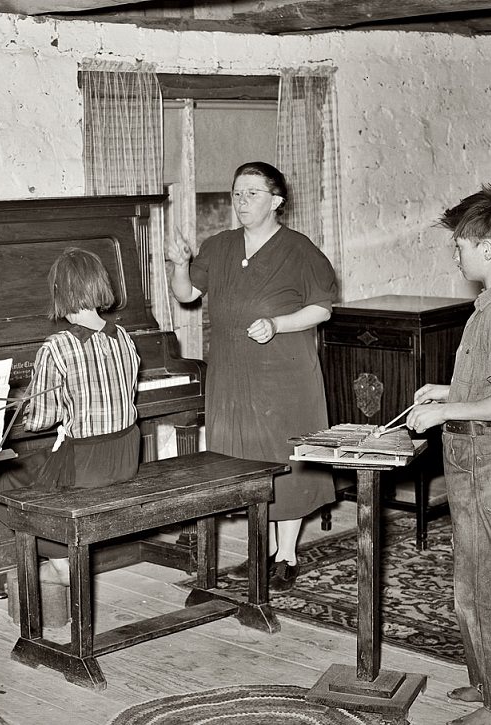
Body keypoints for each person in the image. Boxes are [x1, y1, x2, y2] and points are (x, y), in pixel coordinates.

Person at [166, 161, 337, 592]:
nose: (242, 202)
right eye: (237, 194)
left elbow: (322, 308)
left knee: (287, 461)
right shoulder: (220, 246)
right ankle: (259, 549)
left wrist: (278, 324)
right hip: (231, 376)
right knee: (240, 459)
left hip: (284, 378)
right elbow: (185, 294)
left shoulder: (299, 250)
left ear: (276, 201)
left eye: (252, 194)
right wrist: (180, 264)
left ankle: (287, 554)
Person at [406, 185, 491, 725]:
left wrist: (442, 414)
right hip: (473, 463)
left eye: (459, 244)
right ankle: (489, 683)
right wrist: (447, 394)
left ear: (487, 249)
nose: (454, 253)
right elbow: (488, 385)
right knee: (472, 584)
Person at [19, 247, 141, 586]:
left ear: (61, 293)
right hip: (125, 457)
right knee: (39, 466)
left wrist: (24, 402)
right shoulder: (124, 337)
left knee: (11, 481)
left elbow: (37, 421)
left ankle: (53, 569)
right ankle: (49, 571)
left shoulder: (56, 347)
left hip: (88, 465)